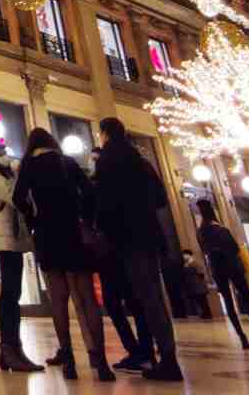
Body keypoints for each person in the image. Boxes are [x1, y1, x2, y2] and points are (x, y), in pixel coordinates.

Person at [13, 128, 114, 382]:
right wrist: (85, 219)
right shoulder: (67, 163)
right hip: (73, 232)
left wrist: (33, 218)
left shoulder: (30, 166)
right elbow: (91, 193)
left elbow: (18, 197)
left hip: (47, 235)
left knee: (58, 300)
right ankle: (100, 361)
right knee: (86, 299)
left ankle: (68, 359)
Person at [94, 117, 182, 382]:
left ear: (105, 134)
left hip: (125, 237)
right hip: (148, 234)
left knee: (145, 299)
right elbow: (160, 198)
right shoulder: (141, 160)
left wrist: (105, 231)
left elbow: (104, 202)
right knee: (154, 297)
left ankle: (164, 359)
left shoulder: (107, 161)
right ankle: (165, 355)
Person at [89, 147, 155, 373]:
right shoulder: (133, 175)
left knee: (125, 302)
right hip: (123, 248)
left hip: (113, 249)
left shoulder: (103, 183)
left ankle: (142, 351)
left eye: (96, 159)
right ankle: (142, 351)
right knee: (128, 302)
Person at [0, 143, 42, 373]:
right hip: (5, 241)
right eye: (3, 153)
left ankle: (13, 350)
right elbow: (16, 198)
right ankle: (9, 349)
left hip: (13, 239)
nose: (8, 157)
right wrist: (19, 172)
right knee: (9, 295)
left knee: (12, 294)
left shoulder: (1, 175)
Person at [196, 200, 249, 350]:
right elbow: (234, 248)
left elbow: (204, 250)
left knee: (228, 302)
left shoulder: (200, 231)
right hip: (232, 266)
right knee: (248, 300)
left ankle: (243, 339)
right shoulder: (221, 229)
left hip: (217, 268)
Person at [181, 249, 212, 319]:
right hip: (193, 285)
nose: (184, 256)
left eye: (185, 254)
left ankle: (207, 314)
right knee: (199, 301)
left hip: (198, 285)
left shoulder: (194, 263)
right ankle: (204, 314)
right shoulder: (187, 264)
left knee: (203, 301)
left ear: (188, 255)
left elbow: (201, 273)